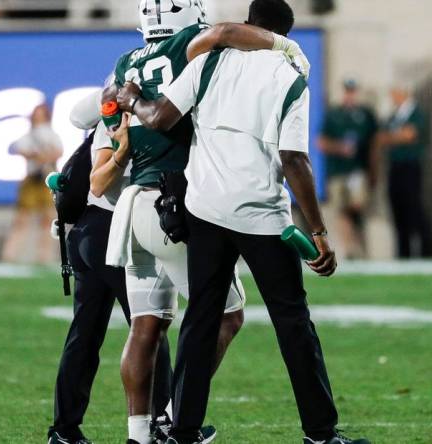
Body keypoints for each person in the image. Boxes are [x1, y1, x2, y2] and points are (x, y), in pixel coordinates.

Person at [115, 1, 370, 443]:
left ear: (251, 23)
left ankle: (182, 430)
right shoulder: (290, 74)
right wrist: (318, 231)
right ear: (285, 33)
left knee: (200, 321)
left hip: (207, 210)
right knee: (293, 324)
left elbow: (159, 118)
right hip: (261, 214)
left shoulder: (207, 64)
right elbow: (294, 160)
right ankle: (320, 433)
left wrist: (132, 98)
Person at [91, 2, 310, 442]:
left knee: (146, 323)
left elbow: (115, 118)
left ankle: (139, 434)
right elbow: (225, 34)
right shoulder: (189, 48)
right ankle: (174, 418)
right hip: (173, 205)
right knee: (224, 315)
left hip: (131, 207)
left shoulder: (125, 63)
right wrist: (281, 43)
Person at [47, 89, 173, 444]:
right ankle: (163, 421)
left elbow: (78, 116)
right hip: (110, 231)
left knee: (85, 335)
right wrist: (123, 150)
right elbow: (99, 183)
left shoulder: (113, 111)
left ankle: (64, 429)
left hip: (88, 232)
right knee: (150, 326)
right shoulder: (122, 120)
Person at [317, 79, 378, 259]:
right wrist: (340, 148)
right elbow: (321, 142)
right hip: (338, 170)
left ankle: (358, 243)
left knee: (357, 205)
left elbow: (374, 143)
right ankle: (350, 248)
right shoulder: (334, 114)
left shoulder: (365, 114)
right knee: (341, 208)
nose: (350, 95)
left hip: (357, 170)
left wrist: (374, 170)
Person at [374, 84, 432, 259]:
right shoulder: (394, 116)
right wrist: (396, 137)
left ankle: (426, 251)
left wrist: (393, 137)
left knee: (413, 207)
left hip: (410, 166)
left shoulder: (416, 113)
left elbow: (409, 135)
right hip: (395, 166)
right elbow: (381, 138)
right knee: (397, 208)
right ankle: (403, 252)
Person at [1, 104, 63, 264]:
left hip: (45, 178)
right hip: (32, 177)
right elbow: (19, 149)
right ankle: (10, 254)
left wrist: (44, 156)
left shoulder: (50, 134)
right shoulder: (30, 135)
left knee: (47, 218)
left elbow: (58, 151)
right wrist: (35, 155)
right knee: (22, 218)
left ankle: (44, 255)